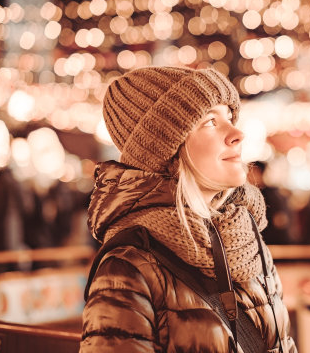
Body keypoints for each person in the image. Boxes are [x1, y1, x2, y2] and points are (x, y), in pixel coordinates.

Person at [80, 66, 297, 352]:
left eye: (229, 117)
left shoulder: (247, 240)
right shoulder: (129, 266)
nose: (237, 134)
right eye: (210, 121)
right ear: (165, 147)